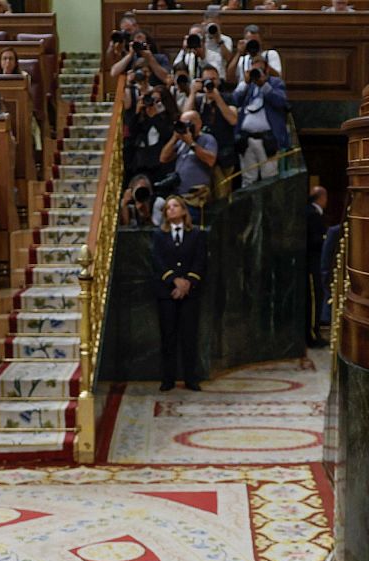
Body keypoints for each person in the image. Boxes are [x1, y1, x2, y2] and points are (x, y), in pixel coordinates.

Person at [150, 196, 206, 391]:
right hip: (167, 293)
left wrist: (187, 284)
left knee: (189, 336)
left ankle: (191, 377)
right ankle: (168, 379)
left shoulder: (196, 234)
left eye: (175, 206)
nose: (171, 210)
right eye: (168, 208)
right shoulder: (159, 235)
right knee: (168, 337)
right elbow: (157, 261)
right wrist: (174, 280)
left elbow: (199, 261)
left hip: (190, 294)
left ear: (183, 210)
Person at [232, 56, 288, 186]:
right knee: (247, 180)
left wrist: (264, 85)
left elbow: (281, 102)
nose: (257, 73)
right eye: (254, 70)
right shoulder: (248, 86)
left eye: (260, 70)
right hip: (246, 139)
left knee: (269, 180)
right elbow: (234, 101)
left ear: (267, 69)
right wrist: (244, 83)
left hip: (267, 140)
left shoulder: (275, 83)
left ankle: (268, 207)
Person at [159, 110, 216, 215]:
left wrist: (191, 143)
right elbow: (163, 158)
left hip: (196, 196)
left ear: (198, 124)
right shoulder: (181, 142)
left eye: (187, 124)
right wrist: (174, 138)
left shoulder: (207, 139)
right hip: (179, 196)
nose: (185, 127)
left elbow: (210, 160)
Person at [186, 64, 236, 180]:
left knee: (222, 193)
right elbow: (185, 118)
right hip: (203, 153)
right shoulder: (198, 101)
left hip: (224, 154)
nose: (210, 83)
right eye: (207, 80)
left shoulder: (228, 98)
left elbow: (233, 120)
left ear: (218, 81)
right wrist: (192, 93)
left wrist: (217, 98)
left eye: (213, 79)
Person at [306, 184, 329, 345]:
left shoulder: (310, 213)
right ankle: (312, 335)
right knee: (314, 298)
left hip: (311, 261)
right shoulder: (312, 215)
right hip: (311, 262)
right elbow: (314, 240)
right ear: (321, 198)